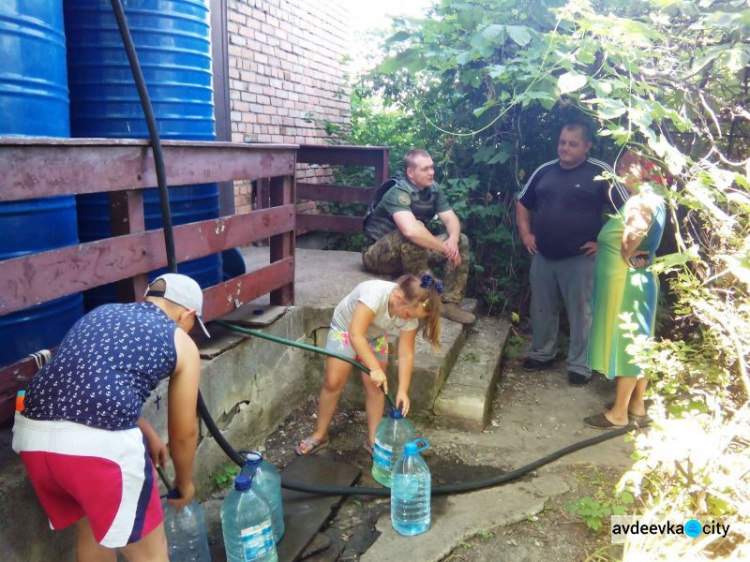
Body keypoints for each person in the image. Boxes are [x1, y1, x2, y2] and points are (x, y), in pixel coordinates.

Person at [12, 273, 207, 561]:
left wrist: (145, 431)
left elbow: (87, 383)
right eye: (193, 325)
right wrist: (185, 483)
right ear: (187, 314)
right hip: (99, 453)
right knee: (151, 555)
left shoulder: (104, 313)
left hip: (32, 438)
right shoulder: (180, 340)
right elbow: (184, 433)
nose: (190, 332)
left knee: (93, 533)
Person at [516, 121, 629, 386]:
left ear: (587, 146)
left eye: (572, 143)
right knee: (541, 308)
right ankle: (543, 354)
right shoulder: (545, 171)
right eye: (562, 142)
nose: (565, 148)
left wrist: (603, 243)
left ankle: (580, 365)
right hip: (543, 255)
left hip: (580, 258)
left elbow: (628, 211)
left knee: (581, 312)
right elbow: (522, 203)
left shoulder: (600, 172)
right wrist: (526, 234)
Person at [295, 273, 442, 456]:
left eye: (413, 317)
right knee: (333, 382)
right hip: (346, 330)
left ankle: (372, 440)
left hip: (375, 335)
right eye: (407, 314)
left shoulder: (409, 313)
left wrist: (403, 390)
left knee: (376, 387)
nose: (407, 319)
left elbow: (406, 354)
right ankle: (320, 434)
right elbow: (356, 334)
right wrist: (374, 368)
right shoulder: (374, 295)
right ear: (399, 297)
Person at [584, 150, 667, 429]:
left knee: (627, 342)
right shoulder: (657, 198)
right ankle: (637, 406)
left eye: (623, 168)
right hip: (637, 279)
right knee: (640, 341)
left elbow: (634, 235)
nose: (620, 174)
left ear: (638, 170)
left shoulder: (643, 200)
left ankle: (618, 413)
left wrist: (627, 251)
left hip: (626, 283)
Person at [362, 149, 475, 325]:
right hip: (378, 255)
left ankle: (450, 303)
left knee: (461, 239)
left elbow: (450, 218)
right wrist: (444, 248)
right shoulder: (397, 192)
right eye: (425, 169)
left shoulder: (433, 189)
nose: (431, 173)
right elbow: (410, 231)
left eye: (432, 168)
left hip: (407, 253)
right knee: (415, 231)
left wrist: (452, 240)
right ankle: (425, 297)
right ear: (410, 172)